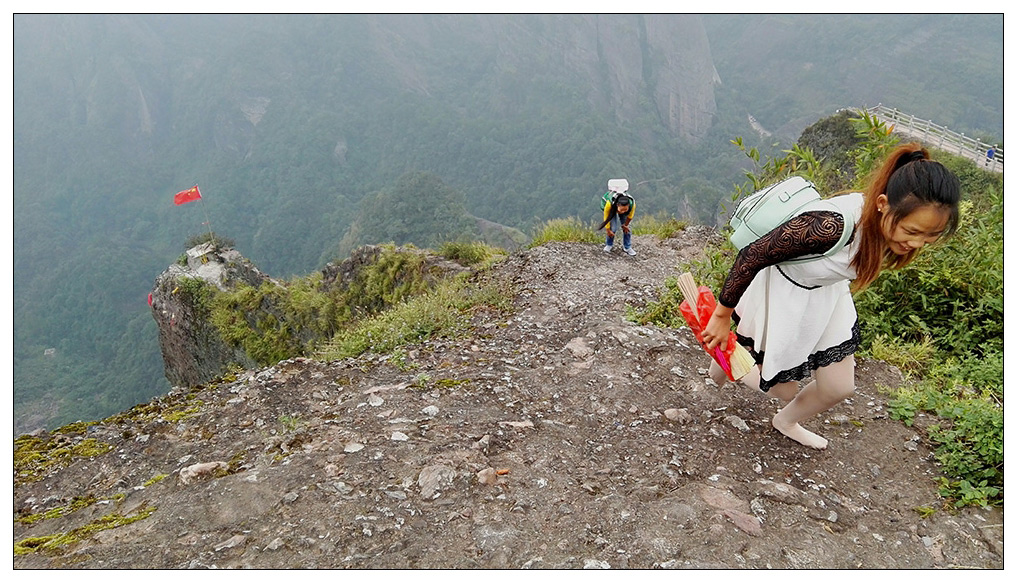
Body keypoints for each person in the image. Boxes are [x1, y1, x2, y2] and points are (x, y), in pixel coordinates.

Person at [700, 142, 961, 450]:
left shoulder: (881, 232)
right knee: (781, 388)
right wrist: (721, 315)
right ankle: (717, 366)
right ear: (882, 204)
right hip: (783, 295)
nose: (917, 243)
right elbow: (752, 256)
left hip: (825, 296)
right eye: (913, 231)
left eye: (929, 237)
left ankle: (784, 420)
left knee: (838, 387)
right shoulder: (829, 226)